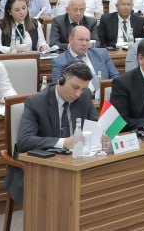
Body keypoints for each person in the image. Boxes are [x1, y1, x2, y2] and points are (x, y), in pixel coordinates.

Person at [6, 61, 97, 203]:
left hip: (76, 161)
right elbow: (25, 141)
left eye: (83, 89)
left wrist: (103, 136)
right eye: (75, 87)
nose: (78, 94)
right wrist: (64, 142)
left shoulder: (84, 97)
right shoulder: (36, 102)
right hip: (44, 165)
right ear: (61, 80)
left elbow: (96, 124)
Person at [51, 25, 118, 83]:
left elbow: (116, 78)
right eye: (81, 40)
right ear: (70, 40)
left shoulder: (102, 54)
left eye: (87, 40)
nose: (84, 44)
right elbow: (57, 87)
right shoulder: (60, 62)